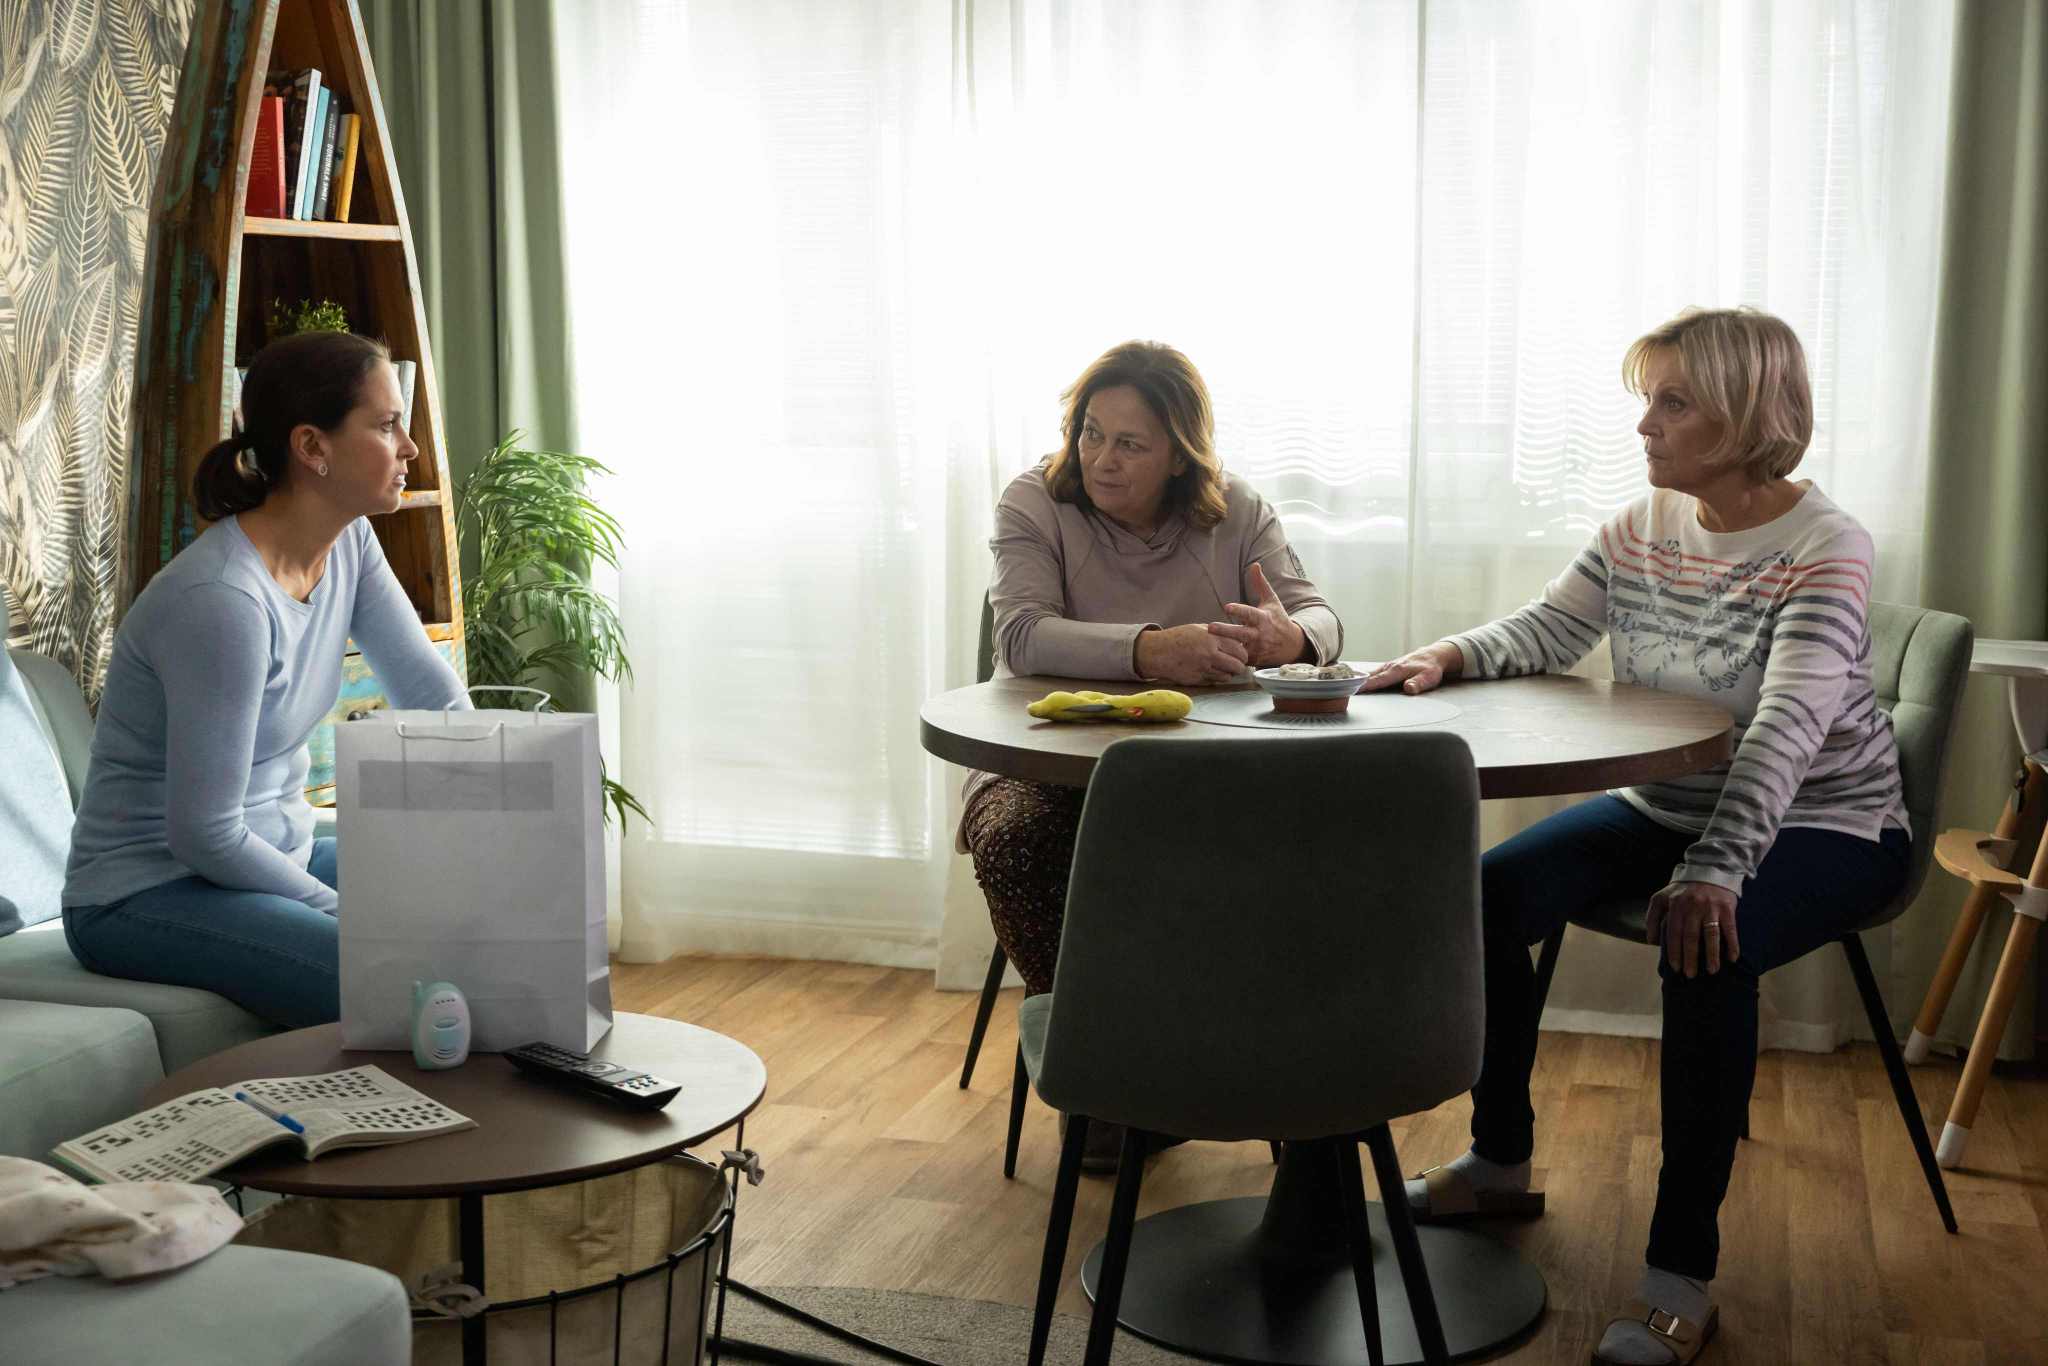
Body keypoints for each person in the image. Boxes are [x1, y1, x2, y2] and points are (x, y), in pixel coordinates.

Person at [1367, 307, 1907, 1366]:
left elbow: (1788, 723)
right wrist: (1446, 655)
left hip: (1825, 820)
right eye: (1646, 399)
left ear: (1747, 414)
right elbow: (1549, 627)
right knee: (1483, 897)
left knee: (1706, 944)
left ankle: (1678, 1275)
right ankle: (1497, 1162)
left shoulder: (1825, 544)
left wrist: (1717, 868)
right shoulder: (1641, 523)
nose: (1644, 425)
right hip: (1666, 804)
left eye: (1673, 402)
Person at [963, 339, 1343, 1170]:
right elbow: (1021, 636)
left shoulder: (1236, 509)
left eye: (1130, 444)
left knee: (1306, 850)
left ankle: (1259, 1075)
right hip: (1045, 761)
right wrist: (1149, 650)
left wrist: (1292, 639)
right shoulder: (1035, 501)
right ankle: (1104, 1078)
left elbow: (1321, 620)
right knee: (1020, 843)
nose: (1101, 459)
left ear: (1180, 454)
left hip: (1202, 771)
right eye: (1090, 433)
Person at [63, 331, 469, 1029]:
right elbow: (207, 836)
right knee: (393, 977)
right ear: (312, 446)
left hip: (276, 853)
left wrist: (515, 808)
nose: (409, 449)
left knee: (478, 910)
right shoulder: (223, 601)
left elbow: (432, 697)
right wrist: (343, 912)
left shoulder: (350, 543)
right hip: (143, 894)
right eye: (386, 425)